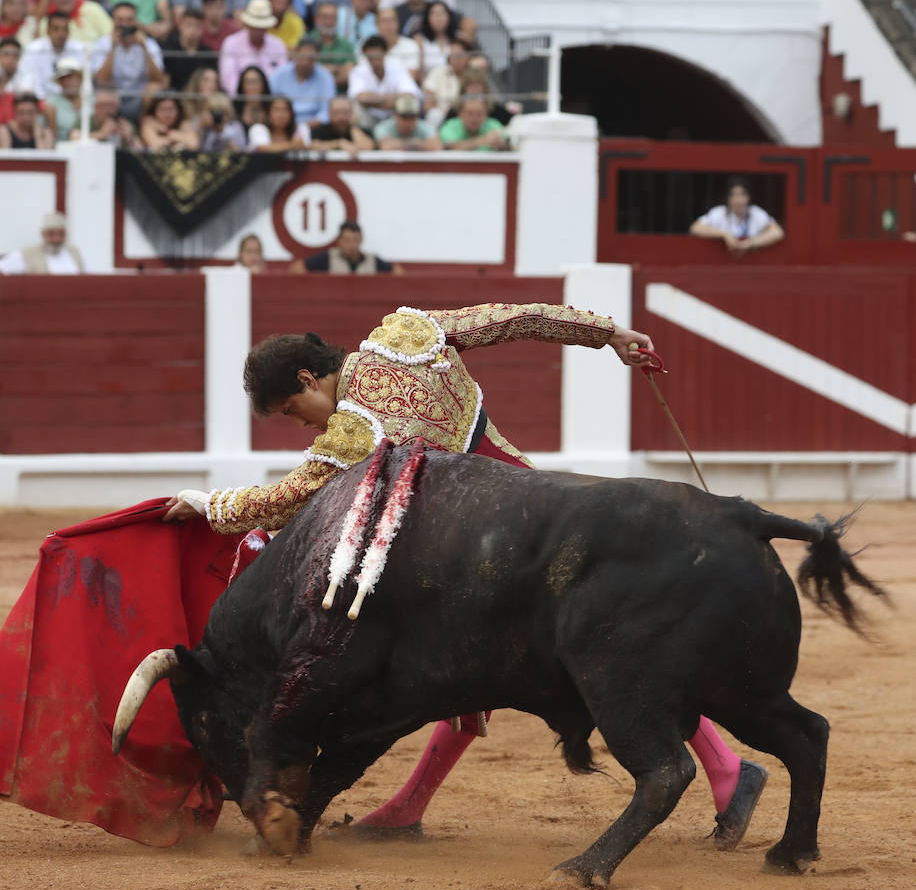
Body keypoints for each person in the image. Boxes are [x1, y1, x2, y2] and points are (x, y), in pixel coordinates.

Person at [164, 302, 766, 848]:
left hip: (475, 549)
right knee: (582, 647)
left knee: (515, 662)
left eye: (295, 412)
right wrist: (608, 334)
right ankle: (410, 804)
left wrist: (212, 505)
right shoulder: (402, 336)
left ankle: (726, 768)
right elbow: (514, 319)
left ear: (306, 379)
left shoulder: (353, 430)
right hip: (533, 506)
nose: (304, 426)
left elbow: (293, 497)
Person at [90, 0, 169, 120]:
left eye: (129, 20)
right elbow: (102, 80)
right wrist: (113, 47)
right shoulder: (102, 44)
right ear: (113, 21)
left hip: (140, 99)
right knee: (103, 92)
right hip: (112, 96)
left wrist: (144, 48)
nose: (124, 25)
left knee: (154, 88)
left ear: (136, 22)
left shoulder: (148, 44)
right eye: (120, 20)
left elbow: (158, 79)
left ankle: (143, 125)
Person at [689, 177, 785, 255]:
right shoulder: (719, 213)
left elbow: (777, 232)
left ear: (748, 197)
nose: (738, 200)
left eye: (742, 194)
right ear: (728, 198)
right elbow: (695, 228)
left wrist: (751, 243)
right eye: (733, 195)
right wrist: (724, 234)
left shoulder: (756, 213)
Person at [348, 33, 422, 127]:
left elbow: (410, 94)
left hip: (393, 118)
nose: (375, 61)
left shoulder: (397, 67)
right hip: (369, 118)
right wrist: (393, 100)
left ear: (385, 53)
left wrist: (373, 101)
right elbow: (361, 98)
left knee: (408, 104)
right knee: (356, 108)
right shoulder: (358, 71)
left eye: (378, 56)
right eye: (371, 58)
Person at [218, 0, 288, 95]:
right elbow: (228, 79)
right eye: (255, 26)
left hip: (270, 102)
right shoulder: (231, 43)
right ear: (247, 24)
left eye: (262, 27)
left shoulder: (278, 45)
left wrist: (267, 98)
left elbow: (282, 78)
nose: (258, 30)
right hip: (239, 101)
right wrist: (244, 96)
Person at [269, 35, 337, 126]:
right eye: (303, 57)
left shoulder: (325, 77)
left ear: (317, 58)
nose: (305, 63)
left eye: (310, 59)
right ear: (296, 53)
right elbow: (268, 103)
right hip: (281, 125)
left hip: (313, 127)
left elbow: (327, 111)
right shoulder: (279, 74)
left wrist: (304, 127)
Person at [0, 209, 83, 273]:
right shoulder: (28, 254)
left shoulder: (75, 253)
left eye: (61, 234)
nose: (56, 239)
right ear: (43, 234)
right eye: (51, 233)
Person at [307, 0, 356, 86]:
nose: (329, 22)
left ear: (337, 20)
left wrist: (323, 71)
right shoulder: (306, 42)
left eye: (333, 17)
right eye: (325, 17)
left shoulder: (346, 45)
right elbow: (305, 69)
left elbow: (350, 72)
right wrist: (337, 69)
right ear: (316, 19)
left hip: (341, 94)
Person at [439, 94, 509, 151]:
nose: (474, 118)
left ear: (486, 114)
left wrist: (501, 145)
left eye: (479, 114)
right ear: (460, 114)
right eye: (470, 113)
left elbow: (508, 145)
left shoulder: (493, 124)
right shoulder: (450, 126)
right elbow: (451, 147)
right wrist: (483, 141)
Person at [308, 92, 373, 152]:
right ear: (329, 114)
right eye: (337, 112)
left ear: (352, 113)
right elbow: (312, 146)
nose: (342, 117)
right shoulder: (319, 131)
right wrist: (338, 143)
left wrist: (353, 126)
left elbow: (368, 147)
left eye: (346, 112)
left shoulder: (362, 131)